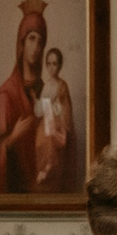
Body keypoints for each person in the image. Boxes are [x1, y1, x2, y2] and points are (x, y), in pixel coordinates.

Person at [0, 0, 49, 195]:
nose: (36, 47)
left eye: (41, 41)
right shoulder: (6, 95)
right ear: (21, 43)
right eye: (31, 39)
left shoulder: (46, 90)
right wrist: (13, 138)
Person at [34, 43, 78, 192]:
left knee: (54, 143)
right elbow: (40, 111)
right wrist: (38, 102)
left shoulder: (62, 85)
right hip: (46, 124)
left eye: (55, 63)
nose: (52, 67)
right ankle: (43, 172)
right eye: (49, 64)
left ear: (60, 65)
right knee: (42, 142)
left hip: (59, 125)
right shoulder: (46, 85)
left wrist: (55, 108)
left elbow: (65, 109)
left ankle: (48, 172)